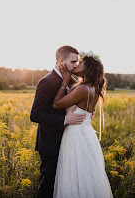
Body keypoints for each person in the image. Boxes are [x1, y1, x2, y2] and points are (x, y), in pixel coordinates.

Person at [52, 51, 113, 198]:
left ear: (88, 68)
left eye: (80, 63)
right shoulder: (91, 87)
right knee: (86, 176)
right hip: (86, 134)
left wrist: (65, 81)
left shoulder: (82, 89)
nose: (77, 64)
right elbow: (79, 86)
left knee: (74, 175)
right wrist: (69, 75)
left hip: (75, 135)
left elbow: (56, 104)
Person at [30, 45, 86, 198]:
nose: (76, 65)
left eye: (78, 62)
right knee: (48, 185)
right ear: (61, 61)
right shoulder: (47, 81)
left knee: (60, 186)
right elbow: (35, 114)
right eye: (73, 61)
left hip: (66, 141)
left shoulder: (67, 79)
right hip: (50, 142)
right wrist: (65, 119)